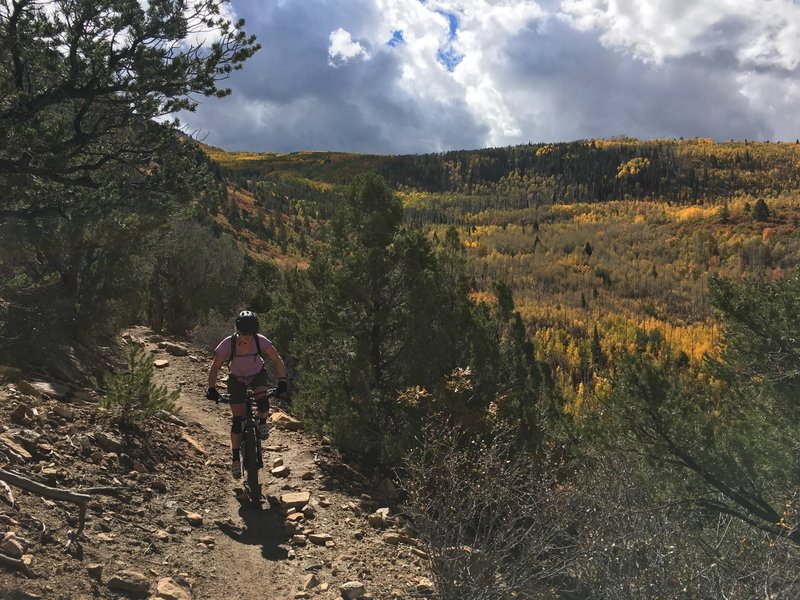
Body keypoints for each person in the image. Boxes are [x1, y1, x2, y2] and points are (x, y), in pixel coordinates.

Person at [206, 310, 287, 479]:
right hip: (236, 378)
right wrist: (211, 388)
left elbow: (277, 360)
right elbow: (215, 367)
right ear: (238, 331)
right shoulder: (229, 343)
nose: (247, 338)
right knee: (237, 421)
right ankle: (235, 459)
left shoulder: (260, 340)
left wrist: (282, 381)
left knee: (263, 402)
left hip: (257, 374)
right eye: (244, 334)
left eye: (250, 334)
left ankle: (262, 422)